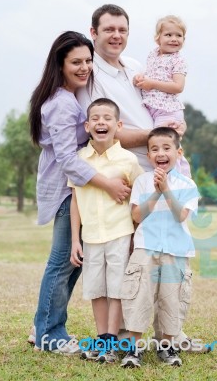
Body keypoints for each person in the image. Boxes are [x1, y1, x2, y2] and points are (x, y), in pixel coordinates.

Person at [77, 4, 209, 354]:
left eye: (122, 29)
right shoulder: (92, 77)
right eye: (109, 29)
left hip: (159, 163)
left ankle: (168, 335)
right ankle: (123, 335)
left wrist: (172, 143)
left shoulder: (136, 67)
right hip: (127, 170)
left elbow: (165, 98)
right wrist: (156, 135)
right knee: (130, 254)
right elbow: (103, 130)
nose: (116, 35)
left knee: (163, 252)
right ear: (94, 33)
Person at [28, 31, 131, 354]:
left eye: (88, 60)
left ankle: (44, 327)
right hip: (65, 191)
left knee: (73, 262)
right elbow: (68, 160)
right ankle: (48, 333)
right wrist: (110, 183)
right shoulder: (60, 104)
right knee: (62, 263)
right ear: (60, 65)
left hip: (78, 190)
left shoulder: (72, 98)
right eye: (76, 62)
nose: (85, 67)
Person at [68, 98, 143, 363]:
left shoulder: (128, 160)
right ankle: (102, 341)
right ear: (87, 126)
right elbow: (75, 201)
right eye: (96, 119)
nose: (101, 122)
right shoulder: (79, 159)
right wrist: (75, 239)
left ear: (118, 125)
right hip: (90, 237)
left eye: (107, 118)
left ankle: (111, 342)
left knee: (117, 290)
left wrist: (136, 235)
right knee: (96, 290)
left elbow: (138, 198)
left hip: (119, 233)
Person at [120, 127, 200, 368]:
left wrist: (166, 190)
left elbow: (180, 216)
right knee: (139, 296)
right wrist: (155, 193)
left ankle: (167, 347)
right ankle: (133, 350)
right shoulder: (143, 182)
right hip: (146, 247)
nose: (161, 153)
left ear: (178, 152)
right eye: (154, 149)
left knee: (171, 300)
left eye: (167, 148)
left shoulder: (188, 184)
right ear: (148, 155)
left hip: (176, 251)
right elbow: (136, 215)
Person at [133, 15, 190, 177]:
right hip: (154, 109)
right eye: (169, 35)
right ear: (158, 38)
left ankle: (181, 176)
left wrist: (151, 84)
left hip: (167, 111)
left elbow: (178, 87)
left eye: (179, 36)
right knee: (160, 147)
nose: (174, 39)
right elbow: (151, 75)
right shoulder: (153, 55)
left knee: (165, 147)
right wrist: (141, 78)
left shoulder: (178, 60)